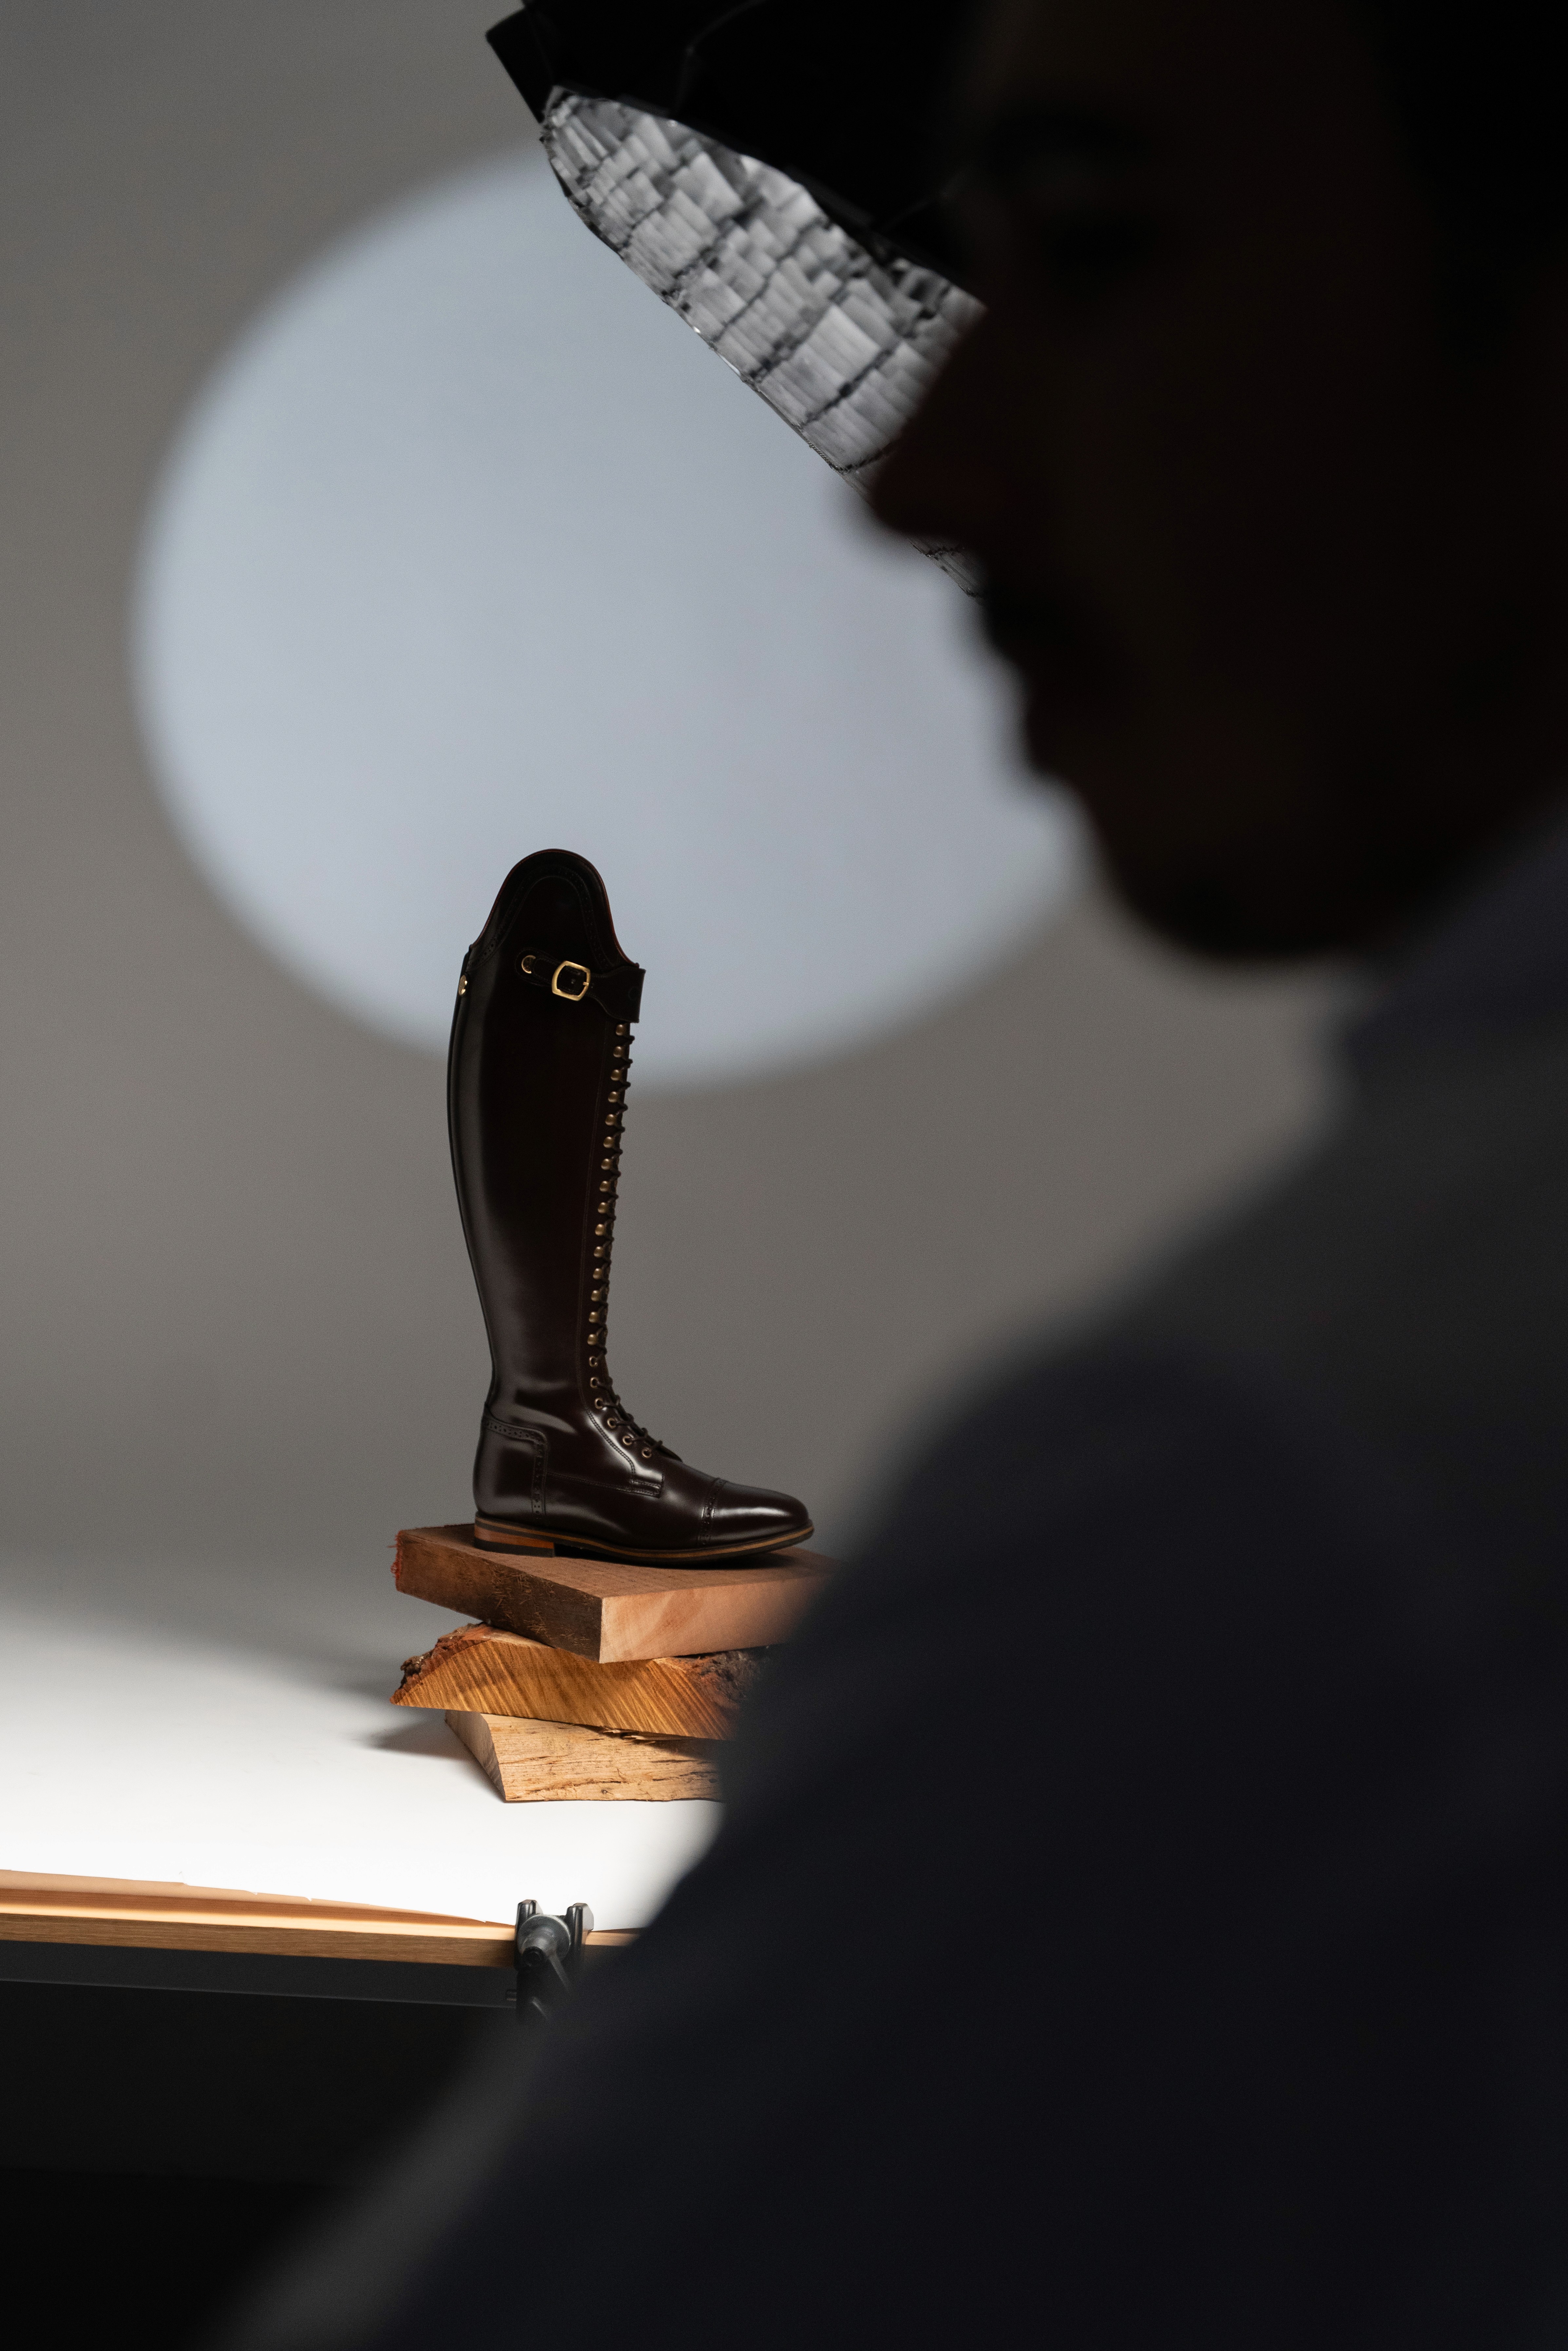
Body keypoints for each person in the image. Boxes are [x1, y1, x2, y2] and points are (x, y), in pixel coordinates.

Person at [234, 0, 1568, 2341]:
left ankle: (550, 1427)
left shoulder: (1261, 1483)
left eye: (1097, 244)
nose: (918, 473)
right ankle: (549, 1424)